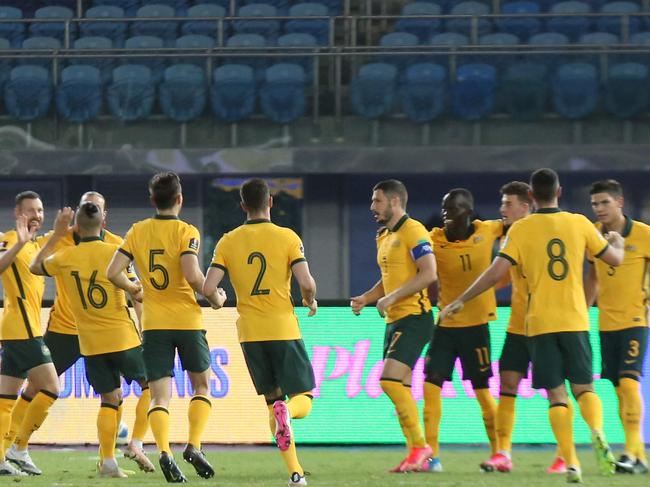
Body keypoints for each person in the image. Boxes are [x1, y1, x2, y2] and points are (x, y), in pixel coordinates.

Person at [439, 168, 624, 483]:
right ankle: (596, 432)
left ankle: (572, 462)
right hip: (575, 318)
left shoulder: (521, 231)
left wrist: (462, 298)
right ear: (559, 192)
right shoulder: (579, 223)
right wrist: (617, 240)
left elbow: (496, 273)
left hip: (537, 322)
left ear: (531, 197)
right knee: (583, 388)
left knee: (556, 395)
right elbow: (615, 260)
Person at [4, 191, 154, 474]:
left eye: (96, 207)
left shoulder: (113, 244)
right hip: (65, 329)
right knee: (37, 387)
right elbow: (137, 292)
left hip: (92, 333)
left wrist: (143, 323)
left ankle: (105, 458)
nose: (91, 210)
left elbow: (36, 266)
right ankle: (16, 445)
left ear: (103, 215)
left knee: (110, 395)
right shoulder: (61, 238)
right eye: (88, 206)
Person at [107, 172, 226, 483]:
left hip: (155, 325)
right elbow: (192, 275)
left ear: (152, 201)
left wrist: (134, 288)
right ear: (180, 199)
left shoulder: (137, 231)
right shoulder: (186, 231)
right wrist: (215, 296)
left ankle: (163, 451)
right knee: (201, 386)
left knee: (160, 397)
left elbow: (112, 272)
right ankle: (194, 446)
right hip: (187, 321)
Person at [203, 178, 318, 486]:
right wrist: (309, 301)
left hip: (250, 334)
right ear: (270, 202)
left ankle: (295, 473)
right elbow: (306, 283)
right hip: (282, 327)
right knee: (304, 396)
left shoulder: (227, 241)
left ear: (242, 206)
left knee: (272, 401)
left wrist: (218, 301)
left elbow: (208, 287)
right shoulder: (287, 237)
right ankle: (288, 414)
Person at [479, 181, 566, 474]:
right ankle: (503, 453)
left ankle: (564, 454)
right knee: (507, 384)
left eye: (507, 204)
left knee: (556, 391)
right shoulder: (511, 237)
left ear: (525, 206)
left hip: (549, 324)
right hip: (518, 325)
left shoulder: (542, 232)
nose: (502, 209)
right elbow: (502, 277)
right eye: (502, 204)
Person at [350, 179, 437, 473]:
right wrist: (367, 296)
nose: (372, 207)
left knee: (388, 381)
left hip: (416, 317)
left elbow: (428, 274)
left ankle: (420, 448)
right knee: (400, 386)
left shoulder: (415, 231)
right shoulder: (383, 235)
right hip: (394, 318)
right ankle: (419, 456)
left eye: (377, 201)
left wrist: (392, 297)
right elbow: (389, 279)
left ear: (395, 202)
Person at [421, 188, 503, 472]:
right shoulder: (434, 239)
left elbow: (521, 228)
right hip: (444, 327)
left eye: (453, 209)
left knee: (482, 392)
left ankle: (499, 453)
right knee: (430, 388)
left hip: (477, 327)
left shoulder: (489, 230)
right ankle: (431, 458)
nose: (446, 214)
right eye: (444, 209)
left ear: (468, 211)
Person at [585, 179, 649, 474]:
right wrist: (583, 311)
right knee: (619, 390)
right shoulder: (593, 238)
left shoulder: (644, 235)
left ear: (619, 203)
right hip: (606, 323)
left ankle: (632, 453)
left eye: (604, 203)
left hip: (635, 319)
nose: (598, 209)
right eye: (595, 204)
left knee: (628, 381)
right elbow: (594, 278)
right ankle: (637, 456)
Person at [0, 191, 60, 476]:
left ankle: (2, 455)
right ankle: (18, 447)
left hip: (20, 331)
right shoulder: (10, 239)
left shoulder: (35, 245)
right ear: (17, 214)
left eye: (40, 210)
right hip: (22, 331)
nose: (36, 215)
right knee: (50, 387)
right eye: (30, 211)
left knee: (6, 398)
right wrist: (19, 243)